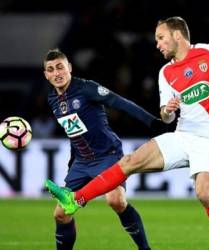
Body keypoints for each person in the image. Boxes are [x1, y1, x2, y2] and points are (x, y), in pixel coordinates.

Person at [45, 17, 209, 250]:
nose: (157, 44)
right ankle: (75, 199)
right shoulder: (165, 73)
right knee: (129, 161)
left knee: (204, 194)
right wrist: (167, 111)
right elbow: (166, 116)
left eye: (161, 37)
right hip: (182, 134)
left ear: (177, 35)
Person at [43, 48, 166, 250]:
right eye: (51, 69)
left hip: (107, 155)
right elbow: (74, 133)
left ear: (69, 68)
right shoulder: (52, 100)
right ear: (46, 75)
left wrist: (153, 123)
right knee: (61, 214)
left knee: (116, 200)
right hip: (81, 162)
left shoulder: (86, 88)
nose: (56, 73)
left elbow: (120, 103)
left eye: (60, 67)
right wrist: (72, 164)